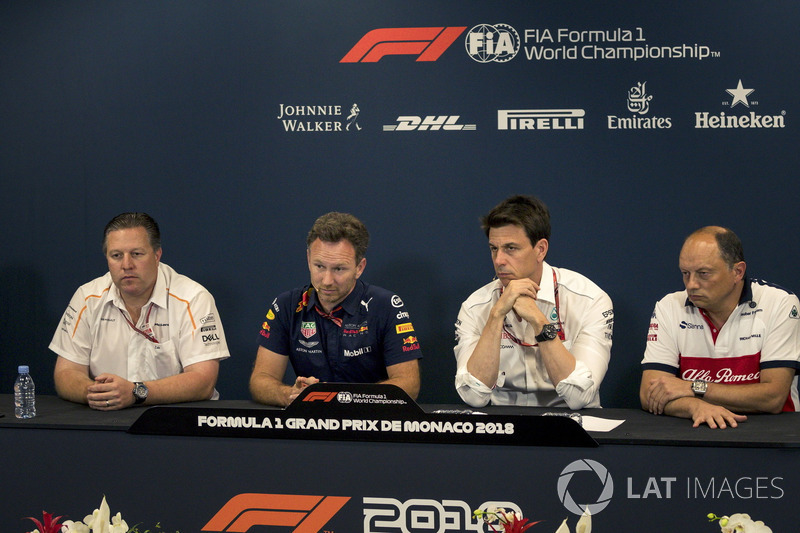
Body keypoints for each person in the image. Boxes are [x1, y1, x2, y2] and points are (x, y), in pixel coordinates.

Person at [50, 212, 230, 410]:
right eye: (116, 256)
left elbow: (203, 381)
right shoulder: (87, 298)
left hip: (176, 422)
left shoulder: (193, 298)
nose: (127, 265)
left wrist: (136, 392)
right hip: (106, 418)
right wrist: (101, 395)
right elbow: (66, 372)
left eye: (136, 254)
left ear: (157, 255)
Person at [454, 195, 613, 408]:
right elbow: (474, 396)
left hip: (570, 426)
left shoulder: (589, 300)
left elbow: (578, 397)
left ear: (540, 249)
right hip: (503, 428)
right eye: (494, 248)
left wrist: (538, 320)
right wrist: (497, 315)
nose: (499, 260)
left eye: (511, 248)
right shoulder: (475, 307)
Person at [250, 212, 422, 407]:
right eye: (319, 266)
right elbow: (260, 380)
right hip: (310, 426)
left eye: (339, 269)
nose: (327, 280)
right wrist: (291, 394)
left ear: (360, 267)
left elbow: (409, 385)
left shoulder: (386, 305)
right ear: (308, 259)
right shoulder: (286, 305)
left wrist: (345, 400)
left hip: (372, 424)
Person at [640, 226, 800, 428]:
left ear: (737, 272)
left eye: (703, 273)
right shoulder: (669, 306)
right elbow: (649, 394)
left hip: (773, 435)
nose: (691, 284)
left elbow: (773, 398)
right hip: (698, 429)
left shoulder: (780, 302)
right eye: (685, 273)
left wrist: (694, 388)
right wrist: (695, 407)